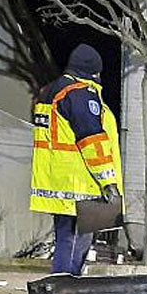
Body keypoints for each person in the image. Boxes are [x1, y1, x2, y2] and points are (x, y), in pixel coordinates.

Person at [29, 43, 124, 275]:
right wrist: (108, 181)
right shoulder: (80, 94)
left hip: (57, 180)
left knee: (65, 239)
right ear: (94, 72)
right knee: (75, 243)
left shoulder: (49, 93)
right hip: (80, 182)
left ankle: (61, 285)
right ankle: (65, 289)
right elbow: (91, 140)